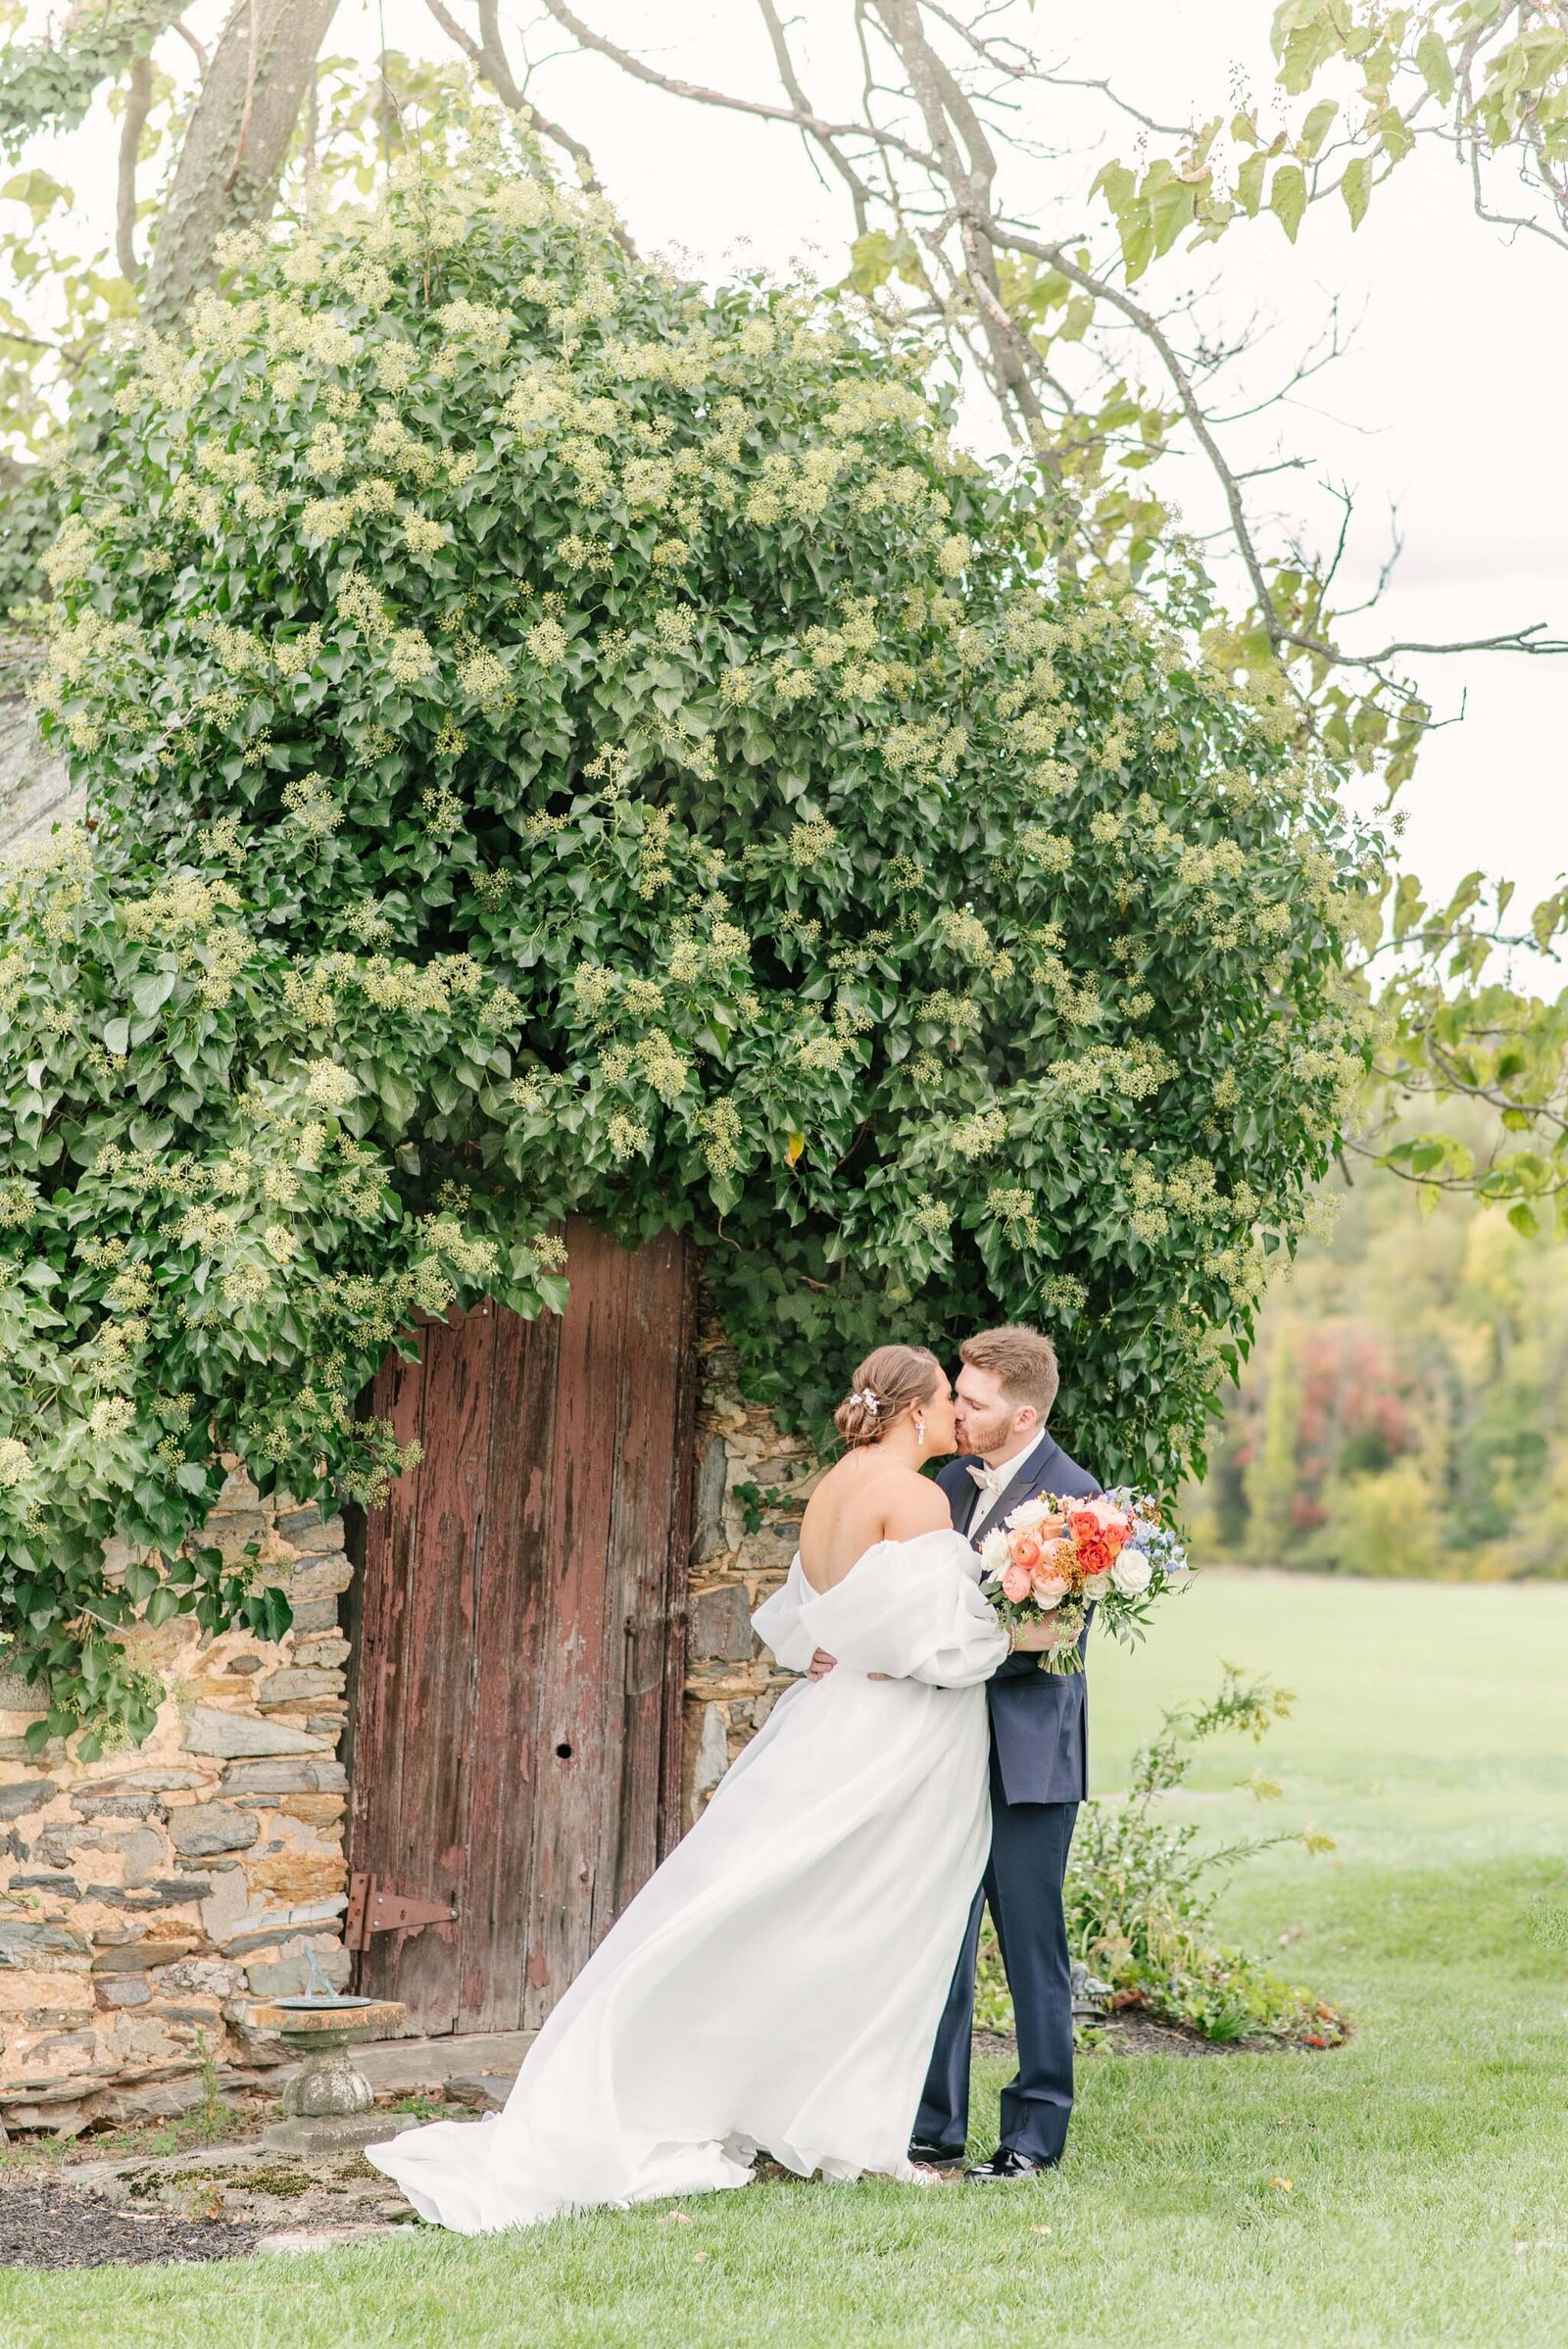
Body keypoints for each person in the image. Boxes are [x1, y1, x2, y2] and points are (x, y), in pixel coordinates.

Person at [365, 1343, 1019, 2232]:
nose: (955, 1413)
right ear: (913, 1411)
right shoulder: (916, 1494)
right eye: (948, 1397)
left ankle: (822, 2112)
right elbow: (938, 1643)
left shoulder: (836, 1484)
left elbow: (810, 1619)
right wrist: (1027, 1623)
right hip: (893, 1739)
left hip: (828, 1721)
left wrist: (860, 1642)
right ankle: (860, 2134)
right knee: (878, 1923)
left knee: (779, 1909)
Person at [912, 1324, 1101, 2179]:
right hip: (941, 1747)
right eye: (958, 1391)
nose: (954, 1409)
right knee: (938, 1936)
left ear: (1023, 1415)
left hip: (1028, 1756)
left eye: (972, 1401)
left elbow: (1053, 1640)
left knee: (1031, 1943)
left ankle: (1032, 2136)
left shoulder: (1075, 1501)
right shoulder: (946, 1483)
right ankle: (930, 2124)